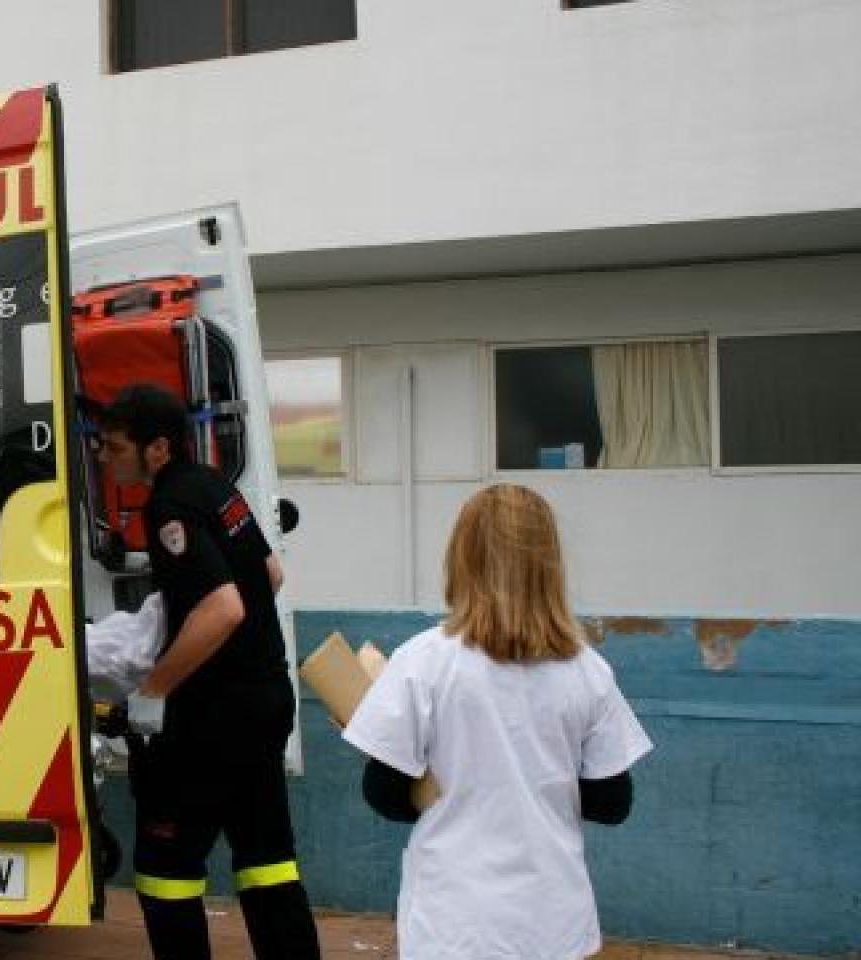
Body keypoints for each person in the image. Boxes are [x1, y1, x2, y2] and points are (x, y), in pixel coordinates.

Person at [343, 484, 653, 960]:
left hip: (453, 925)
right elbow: (613, 802)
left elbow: (383, 795)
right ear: (548, 565)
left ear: (462, 559)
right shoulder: (588, 670)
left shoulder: (422, 662)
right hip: (553, 923)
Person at [96, 383, 321, 960]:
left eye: (115, 447)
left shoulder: (168, 504)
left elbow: (224, 606)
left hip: (209, 724)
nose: (104, 457)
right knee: (267, 863)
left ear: (158, 450)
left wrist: (153, 688)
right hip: (266, 704)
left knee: (167, 871)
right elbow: (269, 575)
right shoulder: (219, 488)